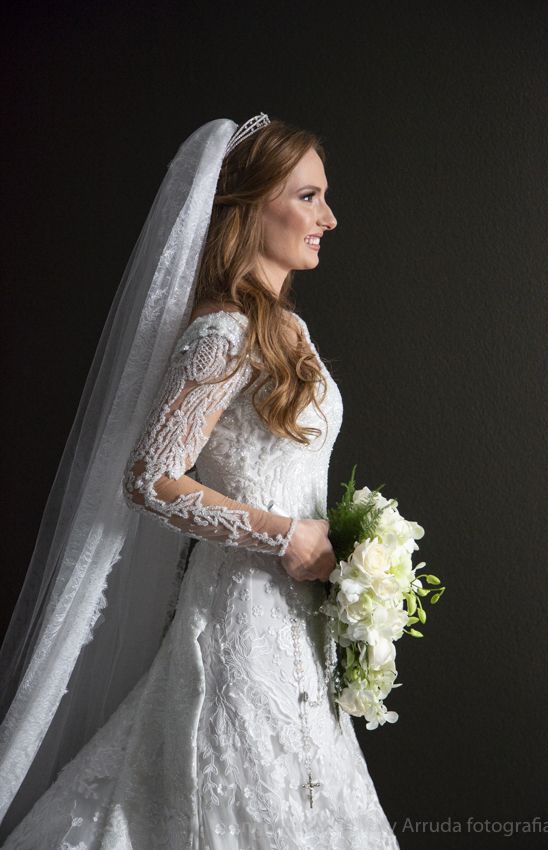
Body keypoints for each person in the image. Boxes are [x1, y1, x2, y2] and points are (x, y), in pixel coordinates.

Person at [0, 114, 399, 849]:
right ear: (248, 208)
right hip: (240, 622)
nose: (329, 218)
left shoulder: (289, 329)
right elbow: (150, 477)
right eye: (308, 197)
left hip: (299, 622)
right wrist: (286, 537)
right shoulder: (221, 332)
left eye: (324, 197)